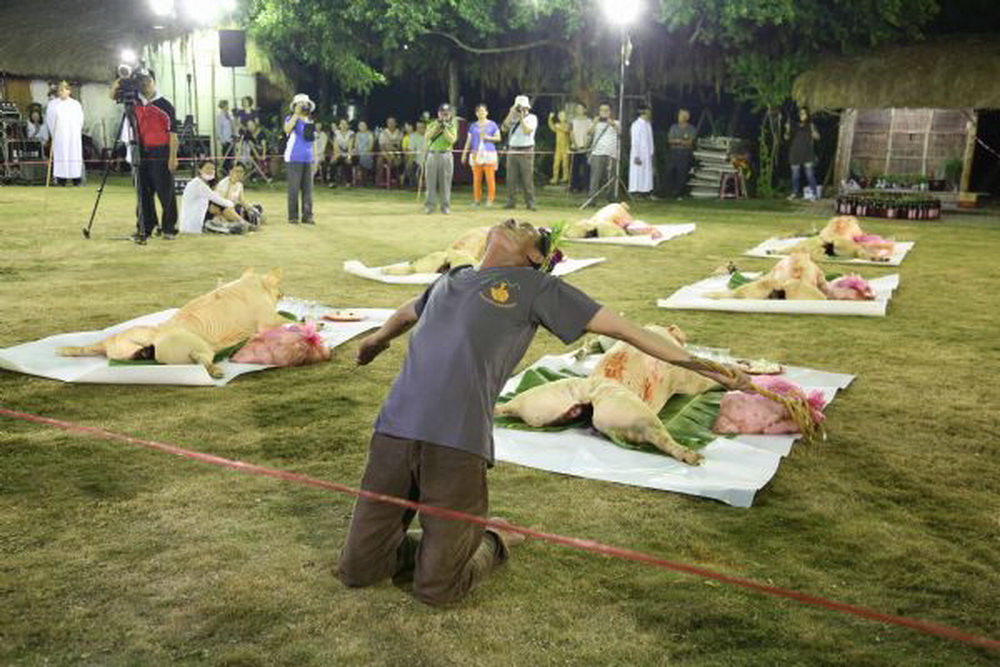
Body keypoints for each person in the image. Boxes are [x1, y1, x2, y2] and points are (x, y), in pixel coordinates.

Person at [337, 218, 752, 606]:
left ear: (535, 257)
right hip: (394, 431)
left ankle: (493, 539)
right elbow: (408, 312)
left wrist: (707, 368)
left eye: (530, 228)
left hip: (457, 443)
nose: (517, 220)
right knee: (358, 571)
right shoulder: (453, 278)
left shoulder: (537, 289)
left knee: (438, 590)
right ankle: (439, 543)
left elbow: (629, 331)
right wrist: (376, 341)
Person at [110, 69, 179, 240]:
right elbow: (113, 96)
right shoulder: (134, 101)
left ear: (154, 81)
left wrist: (172, 157)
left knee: (165, 192)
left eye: (148, 80)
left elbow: (173, 135)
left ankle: (169, 228)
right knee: (143, 192)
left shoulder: (165, 106)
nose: (145, 84)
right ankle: (146, 227)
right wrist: (123, 77)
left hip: (161, 152)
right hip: (139, 151)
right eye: (141, 81)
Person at [179, 159, 243, 234]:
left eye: (213, 169)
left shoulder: (203, 184)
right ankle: (242, 223)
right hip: (192, 227)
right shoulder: (198, 184)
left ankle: (240, 223)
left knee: (221, 209)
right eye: (207, 168)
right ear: (200, 170)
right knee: (222, 207)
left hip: (195, 223)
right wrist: (232, 204)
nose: (210, 171)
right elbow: (219, 200)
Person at [501, 94, 538, 210]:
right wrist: (510, 113)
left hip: (526, 149)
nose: (521, 109)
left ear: (527, 108)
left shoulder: (532, 118)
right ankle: (510, 202)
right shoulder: (512, 118)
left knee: (527, 178)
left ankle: (530, 203)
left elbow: (527, 130)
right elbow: (503, 128)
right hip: (512, 149)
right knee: (511, 177)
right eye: (519, 107)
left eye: (523, 107)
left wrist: (521, 118)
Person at [284, 94, 316, 224]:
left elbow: (312, 141)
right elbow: (286, 129)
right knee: (294, 188)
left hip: (307, 158)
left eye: (306, 104)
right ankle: (293, 216)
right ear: (295, 106)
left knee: (308, 189)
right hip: (294, 157)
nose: (304, 106)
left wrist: (314, 159)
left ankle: (307, 215)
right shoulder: (291, 118)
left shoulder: (310, 120)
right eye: (301, 104)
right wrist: (296, 115)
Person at [460, 104, 501, 208]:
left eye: (483, 111)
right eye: (479, 111)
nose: (481, 113)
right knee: (477, 179)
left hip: (489, 153)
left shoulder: (492, 125)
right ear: (476, 113)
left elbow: (498, 138)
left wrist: (488, 138)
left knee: (490, 178)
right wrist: (464, 154)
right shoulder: (473, 126)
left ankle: (490, 199)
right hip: (475, 154)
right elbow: (468, 141)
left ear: (487, 112)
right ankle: (477, 199)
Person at [45, 81, 85, 186]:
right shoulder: (53, 104)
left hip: (73, 135)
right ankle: (61, 178)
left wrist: (76, 131)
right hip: (60, 135)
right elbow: (49, 119)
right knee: (61, 155)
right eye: (60, 90)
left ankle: (76, 178)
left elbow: (80, 120)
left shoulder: (75, 104)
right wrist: (55, 133)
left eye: (65, 90)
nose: (62, 92)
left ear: (69, 91)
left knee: (74, 154)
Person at [423, 103, 458, 214]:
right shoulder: (432, 124)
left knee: (445, 183)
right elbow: (427, 137)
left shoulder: (452, 126)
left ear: (450, 115)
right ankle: (429, 206)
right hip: (432, 155)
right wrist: (437, 127)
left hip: (445, 155)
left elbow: (452, 140)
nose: (444, 116)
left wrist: (444, 129)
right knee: (430, 182)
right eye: (442, 114)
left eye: (447, 114)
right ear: (438, 114)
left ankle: (445, 206)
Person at [785, 107, 821, 200]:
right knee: (795, 176)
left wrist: (814, 132)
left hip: (807, 153)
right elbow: (786, 138)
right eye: (801, 113)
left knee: (810, 175)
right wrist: (787, 129)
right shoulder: (794, 125)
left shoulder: (811, 125)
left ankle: (814, 194)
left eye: (804, 113)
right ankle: (794, 193)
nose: (802, 115)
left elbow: (817, 138)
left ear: (807, 115)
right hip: (795, 153)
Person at [587, 103, 619, 203]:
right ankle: (592, 198)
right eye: (602, 110)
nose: (604, 112)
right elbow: (588, 132)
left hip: (611, 153)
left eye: (606, 110)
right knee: (595, 177)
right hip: (597, 152)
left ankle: (611, 197)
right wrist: (594, 123)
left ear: (610, 112)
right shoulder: (596, 122)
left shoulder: (616, 122)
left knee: (611, 177)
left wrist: (612, 124)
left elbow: (620, 132)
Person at [216, 163, 265, 228]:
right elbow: (220, 202)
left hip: (235, 207)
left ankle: (247, 219)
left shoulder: (239, 184)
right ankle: (244, 223)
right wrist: (231, 184)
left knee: (257, 208)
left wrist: (252, 209)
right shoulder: (224, 183)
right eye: (236, 171)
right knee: (239, 210)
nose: (239, 174)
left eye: (241, 172)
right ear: (230, 172)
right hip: (226, 210)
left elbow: (242, 201)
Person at [663, 108, 696, 199]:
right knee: (668, 172)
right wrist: (681, 141)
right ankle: (665, 192)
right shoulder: (674, 127)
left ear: (686, 117)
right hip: (673, 152)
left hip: (685, 153)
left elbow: (690, 142)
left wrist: (677, 141)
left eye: (681, 115)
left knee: (682, 174)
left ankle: (678, 194)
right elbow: (670, 140)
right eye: (679, 115)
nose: (679, 117)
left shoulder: (691, 129)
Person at [628, 105, 655, 198]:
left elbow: (650, 140)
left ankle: (645, 191)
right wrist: (636, 155)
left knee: (646, 172)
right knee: (637, 171)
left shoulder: (648, 125)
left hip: (647, 153)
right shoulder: (636, 125)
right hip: (638, 152)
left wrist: (651, 152)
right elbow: (635, 141)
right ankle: (635, 191)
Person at [569, 103, 591, 192]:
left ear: (585, 110)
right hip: (575, 147)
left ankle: (586, 186)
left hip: (585, 148)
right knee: (575, 169)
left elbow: (590, 134)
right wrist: (576, 145)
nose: (579, 110)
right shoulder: (573, 121)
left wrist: (586, 145)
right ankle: (574, 186)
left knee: (586, 168)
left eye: (581, 108)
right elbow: (571, 133)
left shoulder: (589, 121)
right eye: (577, 108)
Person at [547, 110, 571, 185]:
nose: (561, 117)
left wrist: (559, 127)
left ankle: (565, 177)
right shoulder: (557, 125)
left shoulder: (568, 125)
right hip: (558, 148)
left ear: (566, 117)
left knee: (565, 164)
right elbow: (552, 127)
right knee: (556, 163)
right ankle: (555, 177)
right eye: (560, 116)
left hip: (565, 147)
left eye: (563, 115)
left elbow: (566, 130)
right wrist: (550, 119)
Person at [376, 117, 403, 182]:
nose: (391, 124)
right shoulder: (383, 133)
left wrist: (390, 147)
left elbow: (399, 146)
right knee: (380, 160)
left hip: (396, 153)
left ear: (396, 123)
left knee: (398, 161)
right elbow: (382, 146)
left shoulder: (400, 133)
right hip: (385, 153)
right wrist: (389, 152)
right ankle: (380, 180)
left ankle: (396, 180)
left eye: (393, 122)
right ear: (387, 123)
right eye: (389, 122)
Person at [331, 119, 355, 187]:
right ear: (339, 125)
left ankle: (348, 182)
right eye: (342, 124)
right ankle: (332, 182)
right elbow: (335, 146)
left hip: (349, 153)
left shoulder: (351, 133)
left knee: (348, 162)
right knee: (333, 161)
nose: (343, 125)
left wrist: (349, 157)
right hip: (339, 153)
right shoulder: (336, 133)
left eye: (345, 124)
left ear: (348, 126)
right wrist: (336, 155)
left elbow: (350, 147)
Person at [406, 120, 427, 188]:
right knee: (409, 166)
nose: (419, 129)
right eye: (418, 127)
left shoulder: (430, 136)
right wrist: (410, 161)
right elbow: (411, 151)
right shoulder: (413, 136)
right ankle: (414, 185)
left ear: (425, 127)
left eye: (421, 127)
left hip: (429, 161)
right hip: (417, 161)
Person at [216, 100, 235, 173]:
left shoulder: (229, 115)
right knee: (226, 155)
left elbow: (233, 124)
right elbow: (219, 129)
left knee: (231, 155)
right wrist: (222, 140)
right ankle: (224, 170)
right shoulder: (220, 116)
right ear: (223, 106)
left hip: (231, 138)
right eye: (226, 105)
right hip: (225, 139)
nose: (227, 107)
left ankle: (230, 169)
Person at [354, 121, 375, 185]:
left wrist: (365, 151)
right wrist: (356, 150)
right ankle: (358, 178)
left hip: (367, 152)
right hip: (359, 152)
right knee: (355, 157)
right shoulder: (357, 134)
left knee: (364, 157)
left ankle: (364, 179)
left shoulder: (370, 134)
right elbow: (356, 145)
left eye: (363, 125)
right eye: (360, 126)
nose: (362, 127)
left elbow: (370, 146)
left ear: (366, 126)